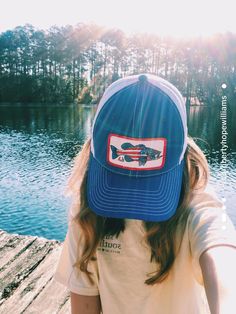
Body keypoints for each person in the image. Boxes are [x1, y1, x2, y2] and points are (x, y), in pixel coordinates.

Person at [54, 74, 236, 314]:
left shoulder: (196, 204)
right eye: (118, 182)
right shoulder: (88, 211)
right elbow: (84, 303)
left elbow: (222, 256)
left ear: (182, 155)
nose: (131, 200)